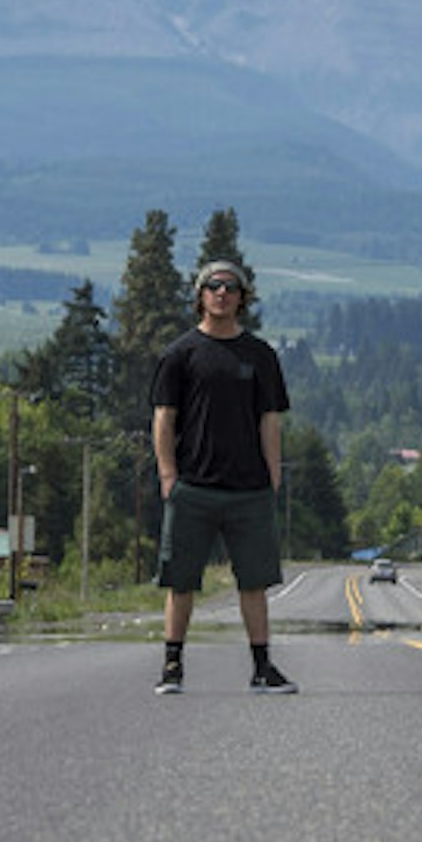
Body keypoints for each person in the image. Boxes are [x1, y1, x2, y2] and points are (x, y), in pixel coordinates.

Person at [150, 259, 297, 695]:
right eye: (213, 286)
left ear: (242, 298)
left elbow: (270, 419)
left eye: (231, 288)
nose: (222, 293)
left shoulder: (261, 356)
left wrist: (272, 475)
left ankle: (262, 668)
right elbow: (163, 417)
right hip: (192, 486)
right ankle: (172, 666)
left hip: (249, 489)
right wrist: (168, 474)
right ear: (200, 295)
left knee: (254, 582)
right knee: (180, 581)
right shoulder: (180, 354)